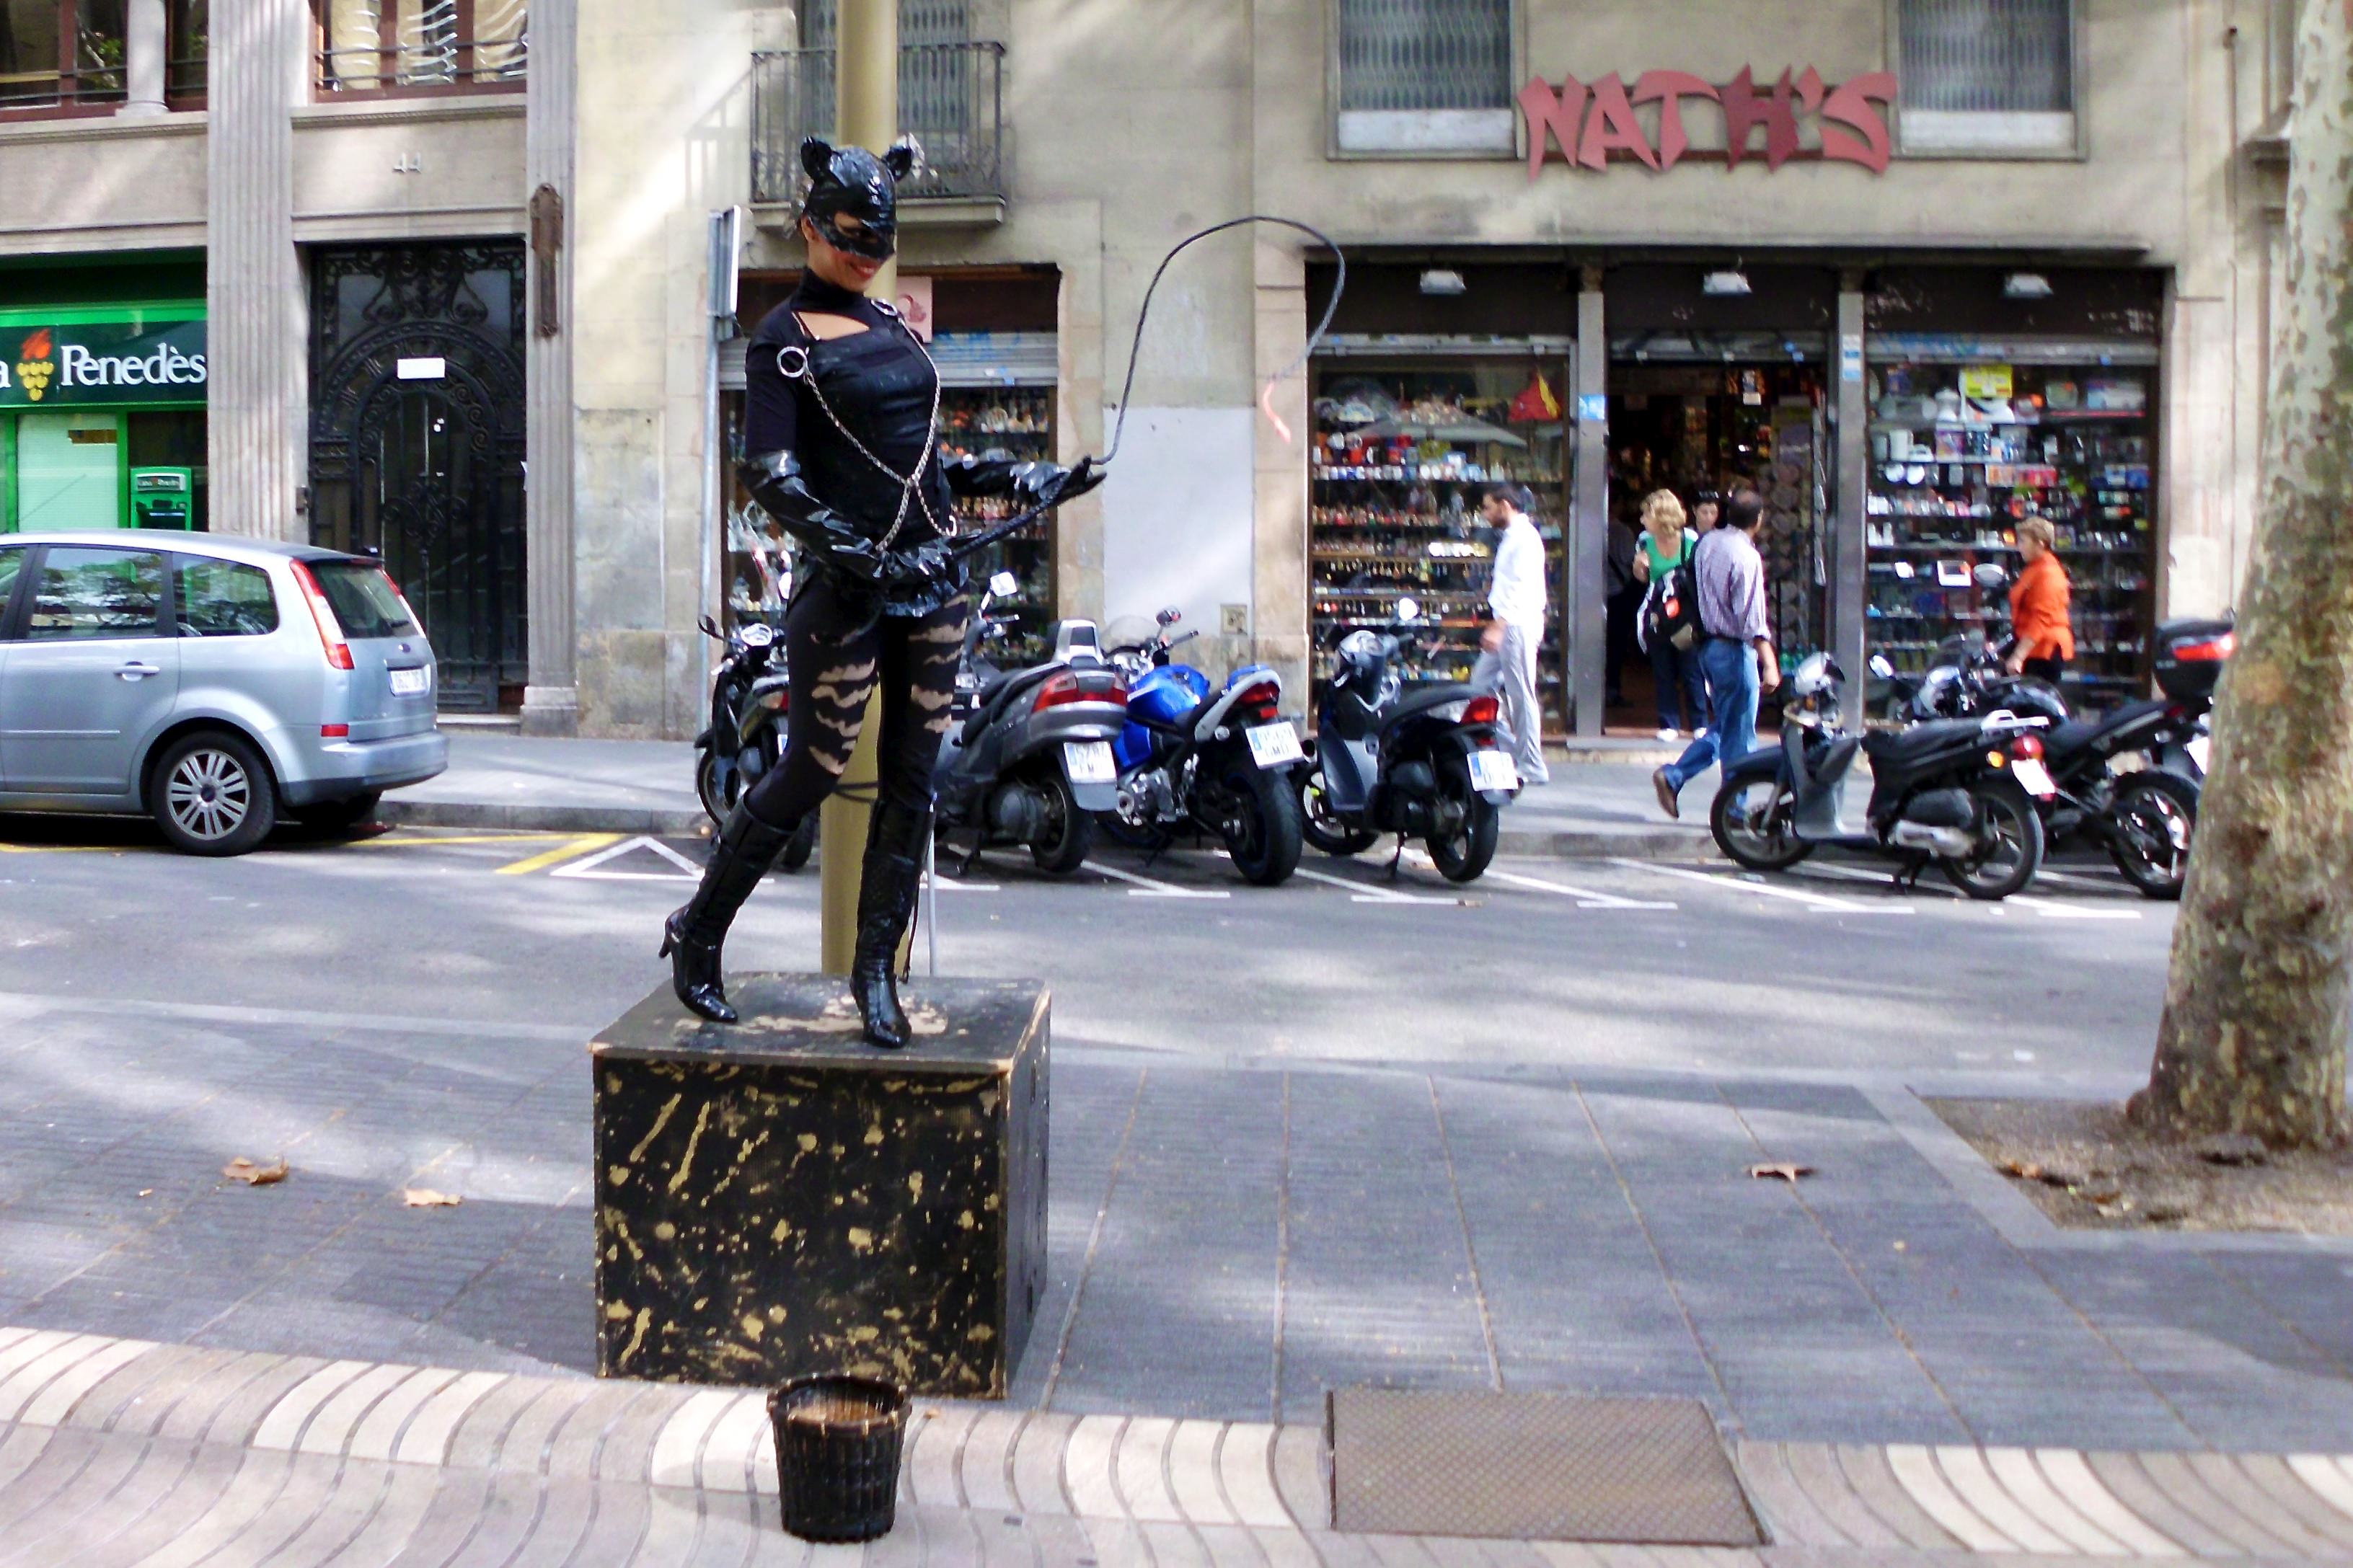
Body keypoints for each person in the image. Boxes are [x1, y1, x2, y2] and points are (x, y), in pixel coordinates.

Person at [661, 136, 1102, 1047]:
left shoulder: (894, 325)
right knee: (812, 768)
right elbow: (771, 477)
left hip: (932, 584)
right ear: (808, 227)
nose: (866, 255)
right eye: (849, 237)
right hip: (847, 590)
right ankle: (698, 929)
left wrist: (1023, 478)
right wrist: (862, 556)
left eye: (880, 240)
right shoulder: (781, 341)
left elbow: (925, 464)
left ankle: (876, 972)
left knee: (912, 783)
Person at [1651, 489, 1780, 819]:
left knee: (1728, 725)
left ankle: (1677, 777)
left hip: (1706, 647)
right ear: (1758, 520)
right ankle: (1732, 810)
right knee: (1740, 735)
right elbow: (1752, 621)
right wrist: (1769, 662)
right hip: (1733, 650)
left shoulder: (1707, 543)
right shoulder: (1746, 556)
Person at [1474, 481, 1550, 787]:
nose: (1485, 514)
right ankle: (1508, 749)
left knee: (1521, 695)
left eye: (1488, 507)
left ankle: (1532, 764)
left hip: (1515, 625)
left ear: (1505, 505)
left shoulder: (1524, 538)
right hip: (1509, 624)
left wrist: (1499, 625)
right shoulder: (1513, 537)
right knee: (1480, 686)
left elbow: (1520, 587)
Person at [1631, 488, 1707, 742]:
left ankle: (1699, 722)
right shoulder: (1645, 541)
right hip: (1658, 612)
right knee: (1662, 668)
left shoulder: (1690, 540)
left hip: (1685, 613)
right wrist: (1639, 567)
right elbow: (1642, 579)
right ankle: (1669, 723)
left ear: (1659, 516)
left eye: (1646, 514)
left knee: (1691, 667)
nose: (1642, 520)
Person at [2005, 515, 2075, 688]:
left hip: (2043, 652)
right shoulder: (2035, 568)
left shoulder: (2048, 573)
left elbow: (2041, 619)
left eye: (2023, 541)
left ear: (2040, 544)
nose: (2019, 546)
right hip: (2032, 648)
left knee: (2030, 701)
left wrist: (2018, 656)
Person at [1604, 512, 1641, 709]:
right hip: (1618, 591)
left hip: (1597, 592)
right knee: (1616, 644)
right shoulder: (1623, 531)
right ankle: (1612, 689)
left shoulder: (1593, 527)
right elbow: (1629, 559)